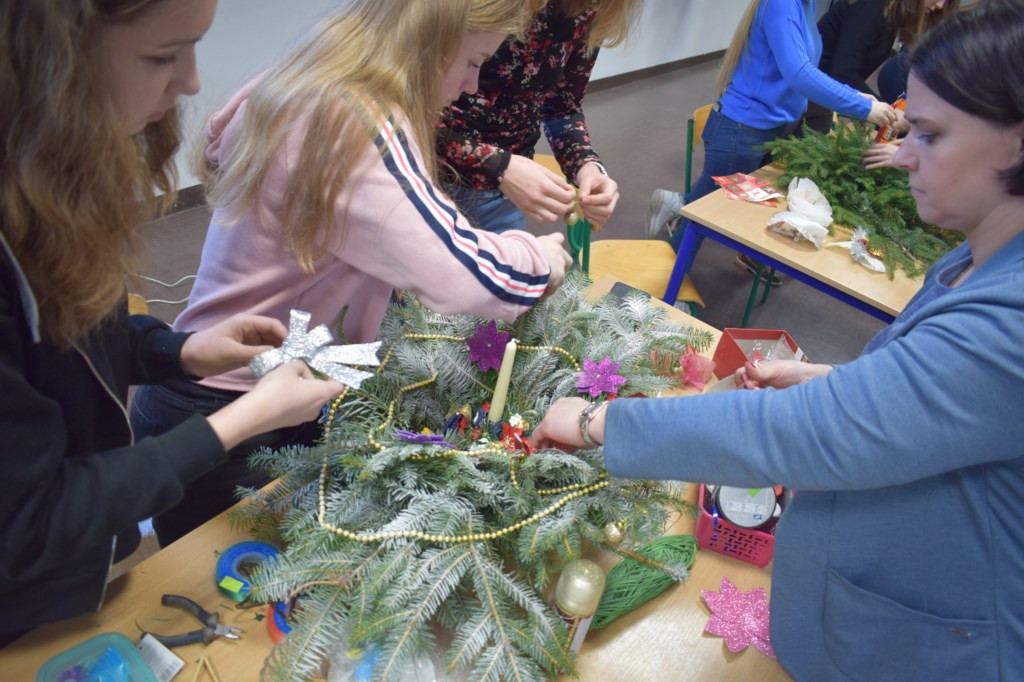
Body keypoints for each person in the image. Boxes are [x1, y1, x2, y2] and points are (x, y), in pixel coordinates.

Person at [534, 0, 1024, 676]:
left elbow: (807, 435)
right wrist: (832, 381)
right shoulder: (975, 256)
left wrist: (597, 421)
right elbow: (932, 402)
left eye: (931, 136)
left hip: (916, 650)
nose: (903, 155)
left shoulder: (1011, 322)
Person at [130, 0, 573, 547]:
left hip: (219, 385)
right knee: (236, 579)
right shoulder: (357, 124)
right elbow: (468, 276)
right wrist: (539, 258)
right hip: (240, 407)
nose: (469, 85)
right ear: (427, 45)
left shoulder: (306, 79)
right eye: (472, 61)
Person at [0, 0, 346, 640]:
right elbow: (28, 519)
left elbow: (64, 334)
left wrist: (178, 352)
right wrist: (241, 420)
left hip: (79, 559)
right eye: (163, 55)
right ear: (46, 65)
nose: (191, 81)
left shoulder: (41, 183)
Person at [646, 0, 897, 285]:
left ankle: (674, 205)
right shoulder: (783, 3)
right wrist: (861, 107)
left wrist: (855, 95)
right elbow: (798, 74)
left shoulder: (806, 5)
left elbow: (806, 69)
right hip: (741, 131)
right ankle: (665, 291)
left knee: (706, 209)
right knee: (699, 223)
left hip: (768, 131)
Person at [438, 0, 641, 232]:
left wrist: (587, 167)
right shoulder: (483, 7)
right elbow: (404, 115)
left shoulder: (585, 11)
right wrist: (500, 167)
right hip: (429, 175)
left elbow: (563, 108)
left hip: (504, 193)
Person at [804, 0, 958, 135]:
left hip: (818, 104)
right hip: (804, 102)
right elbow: (841, 73)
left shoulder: (890, 18)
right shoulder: (873, 5)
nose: (940, 5)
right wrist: (889, 112)